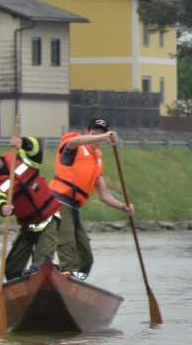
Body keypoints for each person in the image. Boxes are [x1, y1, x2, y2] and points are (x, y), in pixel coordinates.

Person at [50, 117, 133, 279]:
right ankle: (66, 275)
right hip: (59, 202)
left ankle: (72, 281)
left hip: (75, 208)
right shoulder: (75, 146)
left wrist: (123, 207)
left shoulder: (96, 160)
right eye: (94, 133)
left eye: (101, 134)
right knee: (67, 245)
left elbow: (104, 195)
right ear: (87, 133)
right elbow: (73, 142)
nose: (97, 137)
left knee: (86, 259)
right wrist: (103, 136)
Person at [0, 135, 62, 280]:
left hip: (49, 219)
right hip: (28, 227)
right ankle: (21, 287)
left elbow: (36, 150)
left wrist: (23, 143)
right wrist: (3, 208)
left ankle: (49, 276)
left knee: (40, 266)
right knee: (11, 269)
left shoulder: (20, 157)